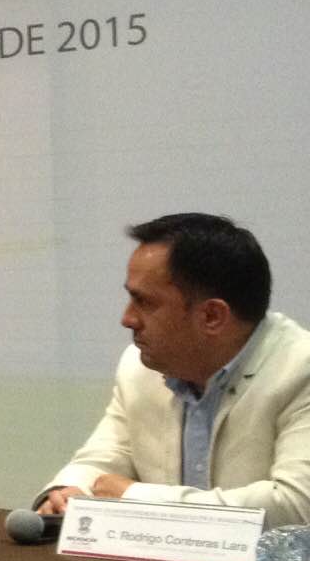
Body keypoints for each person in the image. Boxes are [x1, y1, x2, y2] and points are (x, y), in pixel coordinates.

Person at [36, 213, 310, 525]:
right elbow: (107, 457)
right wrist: (67, 492)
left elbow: (297, 506)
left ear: (212, 316)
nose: (127, 319)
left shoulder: (300, 369)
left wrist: (134, 498)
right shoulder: (140, 366)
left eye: (144, 302)